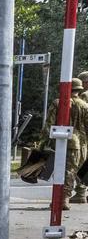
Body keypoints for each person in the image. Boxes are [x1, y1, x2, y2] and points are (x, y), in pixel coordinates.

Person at [42, 79, 88, 208]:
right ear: (79, 90)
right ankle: (80, 194)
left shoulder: (58, 103)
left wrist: (44, 142)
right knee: (73, 170)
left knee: (64, 171)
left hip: (62, 140)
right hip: (82, 144)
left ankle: (63, 200)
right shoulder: (85, 106)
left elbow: (48, 125)